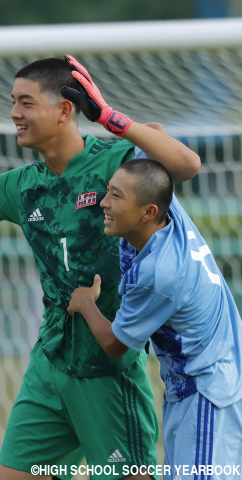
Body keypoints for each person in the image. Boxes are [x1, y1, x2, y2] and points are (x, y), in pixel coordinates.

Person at [0, 52, 201, 480]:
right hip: (49, 364)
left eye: (26, 103)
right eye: (13, 102)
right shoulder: (22, 187)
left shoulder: (116, 162)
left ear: (65, 110)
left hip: (108, 369)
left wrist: (108, 116)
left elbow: (185, 164)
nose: (14, 113)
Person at [67, 158, 242, 480]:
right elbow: (156, 137)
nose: (104, 203)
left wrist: (85, 303)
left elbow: (116, 343)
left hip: (207, 394)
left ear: (147, 212)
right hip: (193, 389)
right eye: (108, 191)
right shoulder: (172, 213)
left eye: (116, 196)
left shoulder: (159, 275)